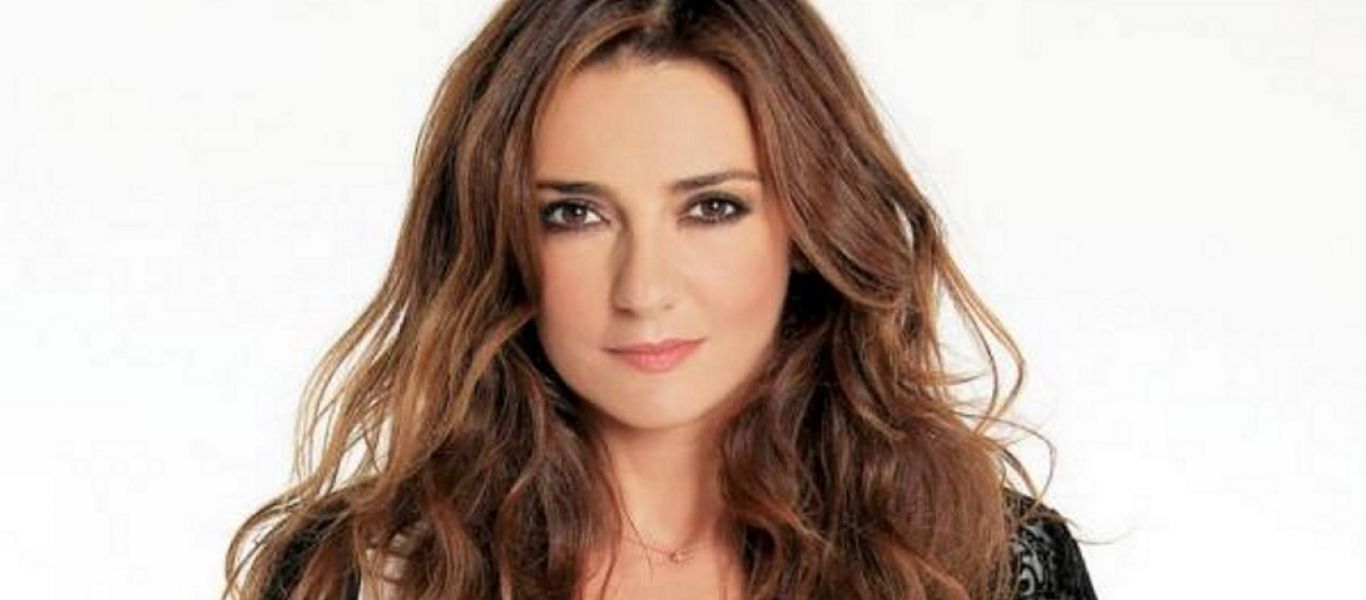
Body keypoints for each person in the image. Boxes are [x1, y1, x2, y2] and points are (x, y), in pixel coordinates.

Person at [223, 1, 1099, 598]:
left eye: (712, 208)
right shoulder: (357, 573)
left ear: (808, 226)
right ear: (499, 239)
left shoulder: (981, 565)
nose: (643, 290)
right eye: (574, 214)